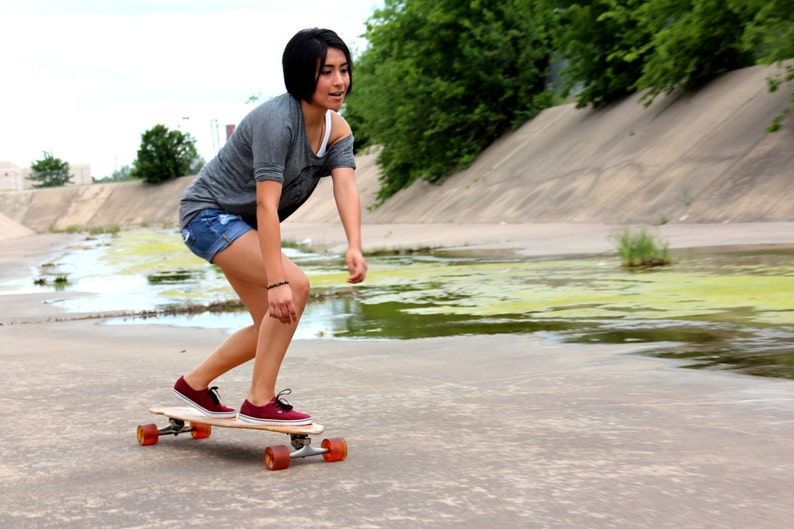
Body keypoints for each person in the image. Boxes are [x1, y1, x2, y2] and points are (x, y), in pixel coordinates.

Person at [171, 28, 367, 426]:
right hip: (207, 216)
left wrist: (355, 245)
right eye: (326, 71)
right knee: (294, 288)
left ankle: (194, 384)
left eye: (343, 70)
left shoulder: (337, 129)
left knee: (270, 322)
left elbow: (345, 186)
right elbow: (266, 203)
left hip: (240, 223)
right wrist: (277, 281)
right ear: (301, 76)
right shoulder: (278, 121)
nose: (339, 81)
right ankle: (260, 400)